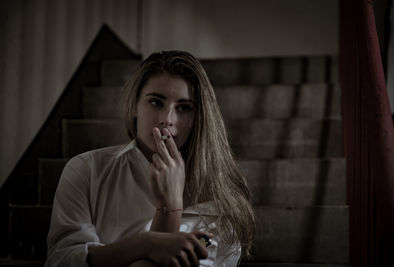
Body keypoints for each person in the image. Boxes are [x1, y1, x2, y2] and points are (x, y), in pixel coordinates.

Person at [45, 50, 255, 267]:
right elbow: (62, 260)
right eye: (156, 102)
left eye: (184, 108)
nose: (167, 119)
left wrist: (171, 206)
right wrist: (145, 243)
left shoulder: (219, 198)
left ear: (198, 117)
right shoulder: (86, 169)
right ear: (135, 105)